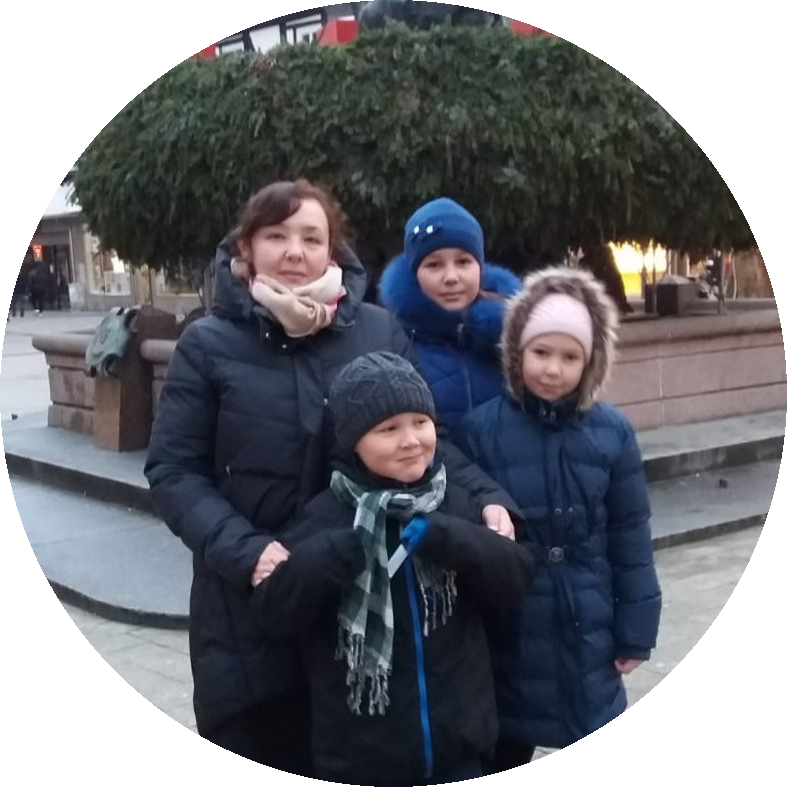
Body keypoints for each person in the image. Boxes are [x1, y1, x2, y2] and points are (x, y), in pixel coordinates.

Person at [144, 179, 520, 773]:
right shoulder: (208, 344)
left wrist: (488, 497)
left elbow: (427, 438)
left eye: (311, 238)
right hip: (252, 614)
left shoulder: (377, 330)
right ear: (246, 248)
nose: (295, 251)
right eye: (276, 236)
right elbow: (174, 469)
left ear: (332, 249)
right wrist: (247, 551)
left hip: (362, 615)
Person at [252, 352, 535, 786]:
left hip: (458, 743)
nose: (410, 441)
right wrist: (325, 557)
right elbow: (274, 613)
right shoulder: (325, 516)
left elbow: (514, 580)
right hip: (361, 755)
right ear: (353, 441)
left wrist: (451, 538)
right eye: (388, 429)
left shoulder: (456, 503)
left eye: (420, 422)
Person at [461, 266, 662, 770]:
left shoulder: (612, 432)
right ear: (517, 353)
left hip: (586, 623)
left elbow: (630, 535)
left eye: (570, 357)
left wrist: (635, 630)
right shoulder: (481, 430)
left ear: (591, 362)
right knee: (504, 748)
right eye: (541, 353)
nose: (553, 370)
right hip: (512, 625)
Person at [379, 197, 521, 436]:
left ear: (480, 267)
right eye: (434, 265)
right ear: (415, 274)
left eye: (463, 262)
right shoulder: (392, 345)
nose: (451, 277)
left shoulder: (516, 337)